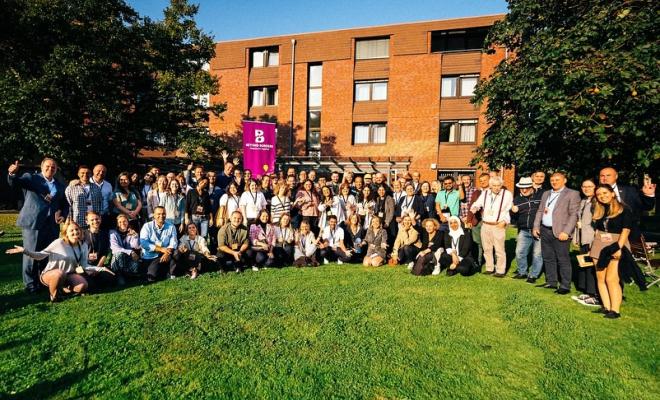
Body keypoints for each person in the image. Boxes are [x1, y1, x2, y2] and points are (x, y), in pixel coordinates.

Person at [7, 158, 67, 293]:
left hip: (51, 225)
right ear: (42, 167)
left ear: (56, 169)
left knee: (46, 254)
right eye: (47, 166)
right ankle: (30, 285)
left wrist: (63, 214)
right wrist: (12, 174)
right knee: (30, 254)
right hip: (33, 223)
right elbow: (15, 182)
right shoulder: (31, 178)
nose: (50, 169)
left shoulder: (60, 185)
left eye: (53, 167)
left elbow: (64, 204)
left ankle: (43, 281)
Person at [6, 221, 91, 302]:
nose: (75, 232)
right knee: (59, 274)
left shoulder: (82, 245)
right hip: (52, 274)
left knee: (83, 286)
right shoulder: (59, 243)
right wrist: (25, 251)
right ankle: (54, 296)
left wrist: (100, 268)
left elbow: (84, 264)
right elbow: (40, 255)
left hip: (69, 274)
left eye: (77, 229)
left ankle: (63, 289)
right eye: (71, 230)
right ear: (66, 233)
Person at [533, 171, 581, 293]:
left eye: (557, 180)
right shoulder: (546, 193)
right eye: (552, 180)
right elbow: (540, 211)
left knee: (563, 259)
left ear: (564, 180)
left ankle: (565, 286)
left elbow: (573, 215)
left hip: (561, 232)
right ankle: (551, 282)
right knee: (548, 257)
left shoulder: (572, 194)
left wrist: (566, 231)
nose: (554, 182)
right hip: (545, 230)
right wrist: (536, 226)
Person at [589, 184, 633, 318]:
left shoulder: (624, 210)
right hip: (599, 244)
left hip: (616, 243)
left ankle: (615, 310)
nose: (602, 196)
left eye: (605, 193)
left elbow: (626, 230)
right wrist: (594, 244)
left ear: (612, 193)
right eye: (599, 194)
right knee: (600, 277)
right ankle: (606, 307)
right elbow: (598, 229)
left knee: (612, 279)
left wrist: (618, 247)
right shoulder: (600, 209)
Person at [469, 176, 513, 277]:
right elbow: (477, 203)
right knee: (487, 248)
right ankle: (489, 268)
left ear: (501, 185)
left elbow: (508, 209)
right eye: (494, 186)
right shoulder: (485, 193)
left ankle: (500, 270)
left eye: (498, 186)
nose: (496, 188)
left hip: (498, 225)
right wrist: (474, 208)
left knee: (499, 249)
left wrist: (505, 221)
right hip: (485, 224)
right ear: (490, 185)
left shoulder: (507, 194)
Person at [598, 167, 655, 241]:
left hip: (630, 234)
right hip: (607, 235)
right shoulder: (596, 193)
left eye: (608, 175)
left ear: (616, 176)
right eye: (602, 176)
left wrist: (648, 195)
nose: (605, 178)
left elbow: (647, 207)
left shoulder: (630, 190)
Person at [510, 176, 543, 283]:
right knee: (519, 252)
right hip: (524, 230)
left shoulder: (540, 196)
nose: (524, 190)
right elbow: (513, 219)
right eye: (521, 188)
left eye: (527, 187)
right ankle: (522, 272)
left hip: (538, 230)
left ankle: (533, 275)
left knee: (537, 254)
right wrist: (512, 212)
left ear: (531, 186)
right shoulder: (517, 199)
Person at [572, 179, 599, 306]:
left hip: (592, 239)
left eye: (590, 186)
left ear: (595, 187)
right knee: (585, 265)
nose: (586, 188)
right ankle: (588, 291)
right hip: (583, 238)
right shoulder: (584, 201)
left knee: (592, 267)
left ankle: (595, 294)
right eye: (584, 186)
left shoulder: (597, 202)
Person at [139, 206, 178, 282]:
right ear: (154, 215)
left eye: (163, 214)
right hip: (151, 256)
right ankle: (163, 271)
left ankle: (171, 273)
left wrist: (167, 253)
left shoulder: (171, 226)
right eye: (158, 214)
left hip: (166, 254)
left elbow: (174, 242)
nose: (161, 216)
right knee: (151, 278)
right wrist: (161, 249)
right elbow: (144, 243)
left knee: (176, 252)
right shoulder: (146, 226)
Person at [465, 173, 493, 269]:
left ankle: (493, 263)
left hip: (489, 222)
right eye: (481, 181)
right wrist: (469, 220)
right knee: (477, 242)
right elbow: (471, 206)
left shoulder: (494, 192)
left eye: (485, 180)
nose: (483, 182)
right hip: (477, 221)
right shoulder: (476, 193)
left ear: (490, 180)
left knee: (489, 243)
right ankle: (478, 262)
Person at [65, 165, 104, 229]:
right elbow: (68, 205)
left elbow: (101, 204)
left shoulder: (96, 188)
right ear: (78, 174)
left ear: (91, 174)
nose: (85, 174)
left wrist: (100, 218)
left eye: (87, 173)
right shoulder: (71, 188)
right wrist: (70, 220)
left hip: (93, 222)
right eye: (82, 173)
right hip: (78, 221)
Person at [82, 211, 114, 288]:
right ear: (87, 222)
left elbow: (104, 254)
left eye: (97, 219)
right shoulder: (82, 234)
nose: (95, 221)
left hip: (98, 266)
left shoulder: (104, 234)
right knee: (88, 283)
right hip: (84, 265)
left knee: (110, 278)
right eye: (92, 220)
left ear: (100, 219)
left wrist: (97, 268)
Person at [109, 214, 141, 285]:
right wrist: (131, 252)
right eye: (120, 222)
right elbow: (115, 249)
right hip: (117, 259)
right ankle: (119, 275)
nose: (122, 223)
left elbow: (136, 246)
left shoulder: (131, 232)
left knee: (136, 264)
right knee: (119, 254)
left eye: (124, 221)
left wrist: (135, 236)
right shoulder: (112, 233)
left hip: (128, 258)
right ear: (117, 224)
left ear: (128, 222)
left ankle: (128, 275)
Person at [90, 164, 114, 230]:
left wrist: (109, 213)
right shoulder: (86, 183)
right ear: (93, 171)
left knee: (104, 236)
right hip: (91, 217)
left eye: (103, 172)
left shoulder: (108, 185)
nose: (101, 173)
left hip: (104, 216)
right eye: (98, 171)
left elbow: (110, 200)